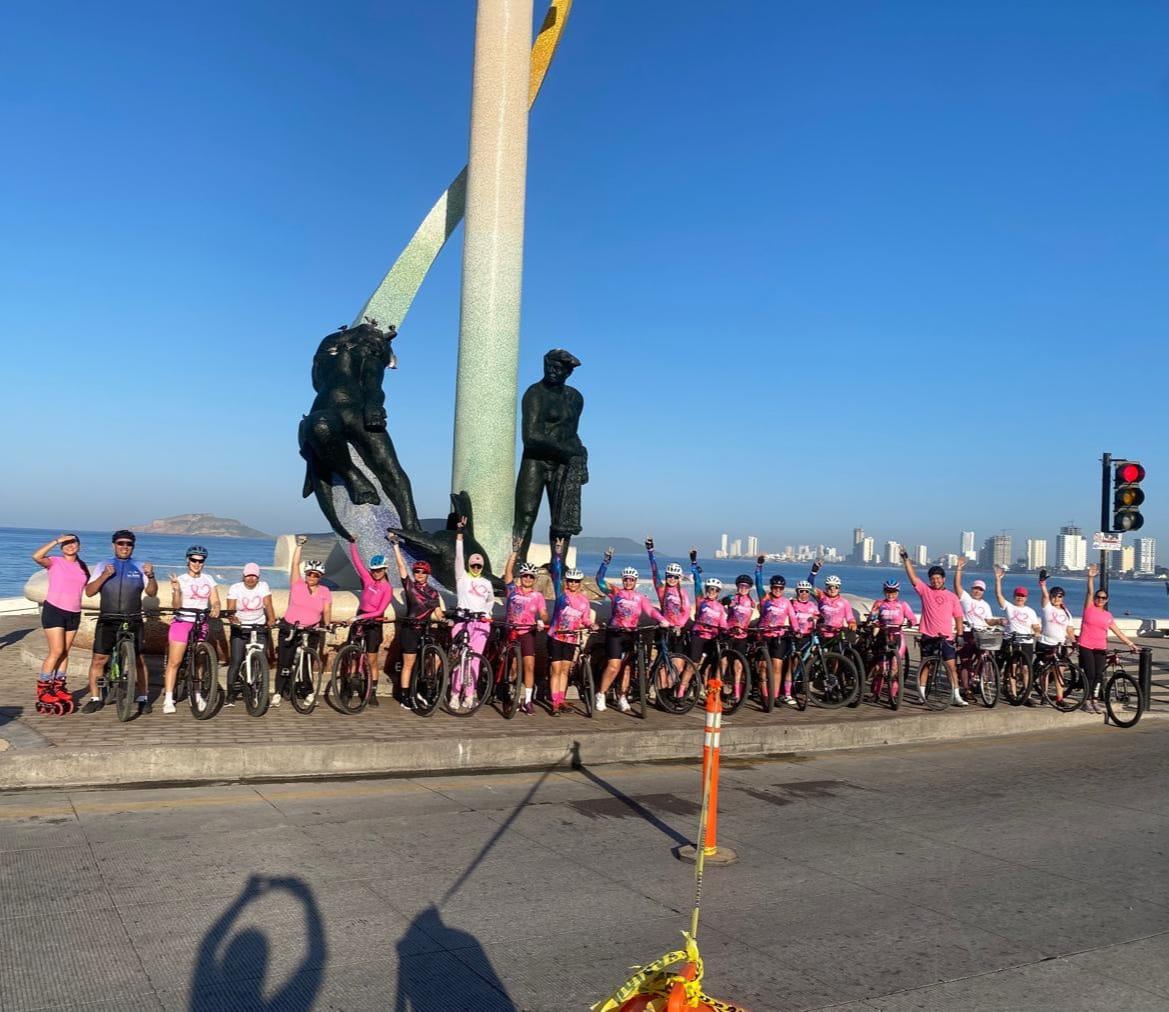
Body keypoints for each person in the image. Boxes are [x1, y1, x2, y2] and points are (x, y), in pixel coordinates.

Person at [83, 530, 157, 715]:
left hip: (132, 618)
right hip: (108, 618)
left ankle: (143, 698)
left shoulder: (140, 566)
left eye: (128, 544)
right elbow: (89, 592)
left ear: (133, 546)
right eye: (120, 543)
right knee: (99, 659)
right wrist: (104, 576)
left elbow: (152, 593)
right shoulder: (103, 565)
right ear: (113, 545)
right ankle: (95, 698)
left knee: (139, 660)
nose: (124, 547)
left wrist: (152, 575)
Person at [595, 548, 668, 712]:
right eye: (626, 579)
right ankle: (601, 694)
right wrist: (606, 561)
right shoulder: (616, 592)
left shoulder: (640, 597)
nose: (628, 582)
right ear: (623, 580)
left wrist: (662, 619)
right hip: (615, 633)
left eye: (631, 580)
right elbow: (599, 580)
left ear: (636, 581)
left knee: (628, 667)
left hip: (631, 634)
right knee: (614, 666)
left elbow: (650, 611)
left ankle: (622, 696)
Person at [31, 533, 90, 714]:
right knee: (56, 651)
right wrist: (57, 540)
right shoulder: (55, 561)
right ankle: (43, 689)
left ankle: (59, 686)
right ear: (61, 547)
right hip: (54, 610)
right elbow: (36, 556)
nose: (70, 545)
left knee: (65, 651)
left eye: (73, 542)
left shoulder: (82, 567)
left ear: (79, 546)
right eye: (66, 543)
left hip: (74, 613)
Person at [900, 550, 966, 707]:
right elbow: (913, 578)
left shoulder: (952, 596)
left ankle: (956, 696)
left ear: (943, 579)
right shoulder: (925, 591)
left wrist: (960, 634)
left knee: (951, 667)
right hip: (928, 635)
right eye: (932, 578)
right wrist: (906, 560)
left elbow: (958, 617)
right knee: (925, 666)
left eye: (938, 578)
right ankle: (921, 695)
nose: (935, 581)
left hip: (946, 637)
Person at [161, 546, 222, 714]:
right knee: (175, 661)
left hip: (200, 621)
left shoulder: (209, 579)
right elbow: (176, 606)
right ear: (188, 560)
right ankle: (168, 697)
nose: (197, 564)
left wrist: (216, 608)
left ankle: (196, 693)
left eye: (201, 561)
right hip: (183, 622)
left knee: (200, 659)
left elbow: (216, 600)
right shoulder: (181, 579)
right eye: (194, 560)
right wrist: (175, 589)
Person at [386, 532, 443, 710]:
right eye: (416, 571)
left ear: (428, 574)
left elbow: (438, 612)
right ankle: (404, 697)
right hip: (410, 630)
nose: (418, 574)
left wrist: (447, 620)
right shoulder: (410, 586)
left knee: (429, 662)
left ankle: (422, 690)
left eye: (422, 572)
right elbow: (401, 567)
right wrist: (395, 546)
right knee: (409, 663)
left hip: (425, 630)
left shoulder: (433, 592)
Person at [275, 536, 334, 707]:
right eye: (309, 574)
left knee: (308, 662)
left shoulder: (325, 590)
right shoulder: (297, 584)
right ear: (306, 574)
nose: (312, 577)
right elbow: (294, 565)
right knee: (284, 662)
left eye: (315, 575)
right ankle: (279, 691)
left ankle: (308, 691)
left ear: (320, 577)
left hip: (311, 630)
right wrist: (300, 546)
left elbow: (327, 610)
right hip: (290, 627)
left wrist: (328, 625)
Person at [1079, 563, 1138, 714]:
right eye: (1098, 597)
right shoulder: (1089, 608)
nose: (1100, 599)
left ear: (1106, 600)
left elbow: (1118, 632)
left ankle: (1094, 701)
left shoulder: (1108, 616)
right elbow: (1090, 592)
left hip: (1100, 648)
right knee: (1090, 674)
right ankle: (1086, 701)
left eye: (1103, 598)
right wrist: (1090, 577)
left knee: (1099, 675)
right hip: (1086, 645)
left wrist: (1131, 643)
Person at [451, 516, 495, 711]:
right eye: (473, 565)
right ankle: (454, 693)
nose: (476, 568)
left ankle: (469, 694)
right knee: (461, 659)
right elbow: (458, 558)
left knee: (475, 660)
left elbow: (491, 600)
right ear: (469, 566)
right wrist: (459, 534)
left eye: (479, 566)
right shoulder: (462, 578)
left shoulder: (487, 583)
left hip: (481, 623)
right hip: (463, 621)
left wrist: (486, 612)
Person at [502, 537, 549, 715]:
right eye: (525, 576)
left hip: (527, 632)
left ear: (534, 579)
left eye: (531, 576)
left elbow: (544, 613)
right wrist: (515, 551)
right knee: (513, 666)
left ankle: (527, 700)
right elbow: (507, 572)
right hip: (511, 631)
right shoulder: (513, 590)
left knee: (529, 665)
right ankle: (509, 688)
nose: (528, 579)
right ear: (521, 577)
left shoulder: (537, 596)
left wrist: (542, 621)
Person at [548, 538, 595, 713]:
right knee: (556, 669)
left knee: (565, 670)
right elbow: (557, 572)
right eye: (570, 581)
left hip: (571, 638)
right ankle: (554, 703)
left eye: (576, 581)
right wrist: (558, 553)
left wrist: (592, 625)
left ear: (580, 583)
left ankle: (561, 700)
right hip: (556, 636)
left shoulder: (584, 600)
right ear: (567, 582)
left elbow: (586, 619)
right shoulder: (562, 594)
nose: (572, 584)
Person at [346, 538, 395, 706]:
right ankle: (349, 688)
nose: (376, 573)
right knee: (353, 655)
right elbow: (357, 562)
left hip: (373, 622)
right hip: (361, 617)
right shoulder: (368, 580)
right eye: (374, 570)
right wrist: (352, 544)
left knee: (371, 658)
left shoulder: (387, 588)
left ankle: (372, 692)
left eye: (379, 570)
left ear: (385, 569)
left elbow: (380, 611)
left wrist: (359, 618)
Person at [224, 563, 276, 704]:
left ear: (258, 577)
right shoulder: (235, 588)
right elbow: (230, 608)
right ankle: (230, 694)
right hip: (240, 627)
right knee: (236, 660)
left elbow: (268, 604)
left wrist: (271, 619)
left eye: (254, 576)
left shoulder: (263, 586)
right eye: (248, 575)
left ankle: (258, 688)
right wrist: (233, 619)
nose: (251, 579)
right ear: (244, 576)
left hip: (259, 626)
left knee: (261, 659)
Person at [953, 557, 1002, 697]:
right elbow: (957, 586)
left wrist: (998, 621)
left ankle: (978, 682)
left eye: (980, 589)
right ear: (972, 589)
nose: (977, 591)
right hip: (968, 632)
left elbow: (988, 621)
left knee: (984, 657)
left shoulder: (985, 605)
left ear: (983, 591)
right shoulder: (966, 598)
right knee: (965, 661)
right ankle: (966, 688)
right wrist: (959, 568)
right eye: (975, 588)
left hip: (982, 634)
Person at [993, 565, 1041, 702]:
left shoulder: (1030, 611)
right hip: (1011, 640)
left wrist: (1036, 633)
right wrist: (998, 580)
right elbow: (998, 595)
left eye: (1022, 596)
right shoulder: (1009, 607)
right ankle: (1013, 693)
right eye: (1018, 596)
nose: (1020, 598)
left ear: (1026, 598)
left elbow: (1036, 626)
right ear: (1014, 597)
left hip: (1026, 641)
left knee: (1026, 669)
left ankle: (1028, 694)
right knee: (1012, 668)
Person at [754, 559, 796, 708]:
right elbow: (758, 583)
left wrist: (796, 630)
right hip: (764, 635)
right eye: (775, 587)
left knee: (777, 666)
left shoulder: (786, 602)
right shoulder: (765, 599)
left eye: (780, 588)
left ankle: (775, 695)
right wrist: (759, 567)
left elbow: (792, 617)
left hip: (779, 636)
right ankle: (764, 694)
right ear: (771, 587)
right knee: (763, 667)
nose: (777, 590)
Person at [867, 580, 916, 702]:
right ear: (884, 591)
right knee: (881, 667)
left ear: (897, 592)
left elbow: (912, 618)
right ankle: (876, 694)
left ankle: (893, 696)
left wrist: (911, 622)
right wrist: (873, 621)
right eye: (888, 591)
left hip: (898, 636)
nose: (891, 594)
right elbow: (871, 618)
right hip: (883, 635)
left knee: (894, 667)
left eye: (893, 592)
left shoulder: (903, 604)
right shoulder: (879, 604)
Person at [1036, 568, 1076, 706]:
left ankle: (1060, 698)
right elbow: (1045, 596)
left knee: (1060, 672)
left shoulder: (1066, 613)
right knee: (1045, 671)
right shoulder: (1047, 607)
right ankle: (1044, 695)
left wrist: (1074, 642)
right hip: (1046, 643)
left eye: (1059, 596)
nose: (1056, 598)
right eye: (1054, 595)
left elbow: (1069, 629)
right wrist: (1042, 584)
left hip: (1060, 645)